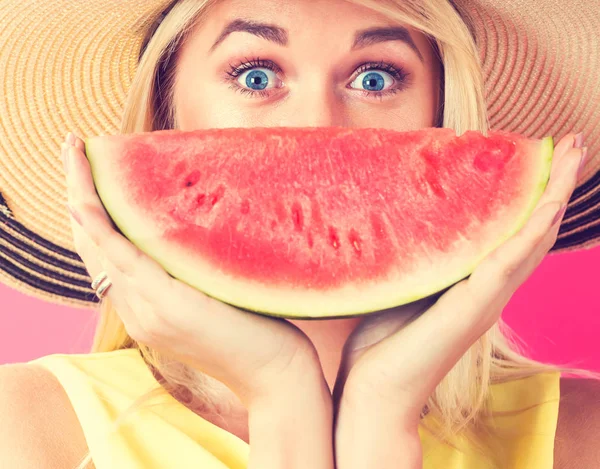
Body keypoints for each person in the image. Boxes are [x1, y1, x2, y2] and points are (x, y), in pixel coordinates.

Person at [0, 0, 599, 467]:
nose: (318, 127)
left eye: (376, 79)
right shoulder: (28, 427)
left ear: (443, 115)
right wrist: (282, 393)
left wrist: (381, 414)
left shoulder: (582, 435)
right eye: (256, 75)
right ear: (165, 114)